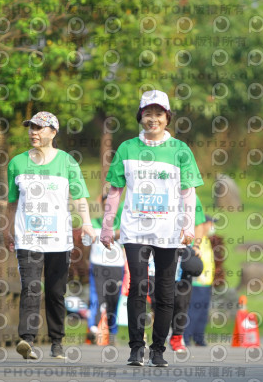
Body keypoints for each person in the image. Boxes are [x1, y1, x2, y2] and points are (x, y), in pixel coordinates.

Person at [100, 90, 204, 367]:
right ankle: (136, 348)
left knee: (166, 292)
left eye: (159, 113)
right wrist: (107, 227)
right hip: (135, 229)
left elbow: (188, 193)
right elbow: (115, 190)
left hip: (169, 231)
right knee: (137, 287)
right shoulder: (127, 148)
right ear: (140, 116)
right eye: (148, 113)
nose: (153, 118)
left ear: (167, 117)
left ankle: (158, 350)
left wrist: (188, 227)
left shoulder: (180, 150)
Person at [5, 111, 96, 360]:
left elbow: (78, 196)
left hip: (58, 238)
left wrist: (86, 223)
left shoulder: (67, 162)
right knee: (31, 287)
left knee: (56, 292)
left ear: (53, 133)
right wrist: (7, 229)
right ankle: (27, 340)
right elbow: (12, 202)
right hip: (28, 237)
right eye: (31, 127)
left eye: (40, 128)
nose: (34, 132)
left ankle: (57, 342)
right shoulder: (16, 163)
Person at [168, 194, 206, 352]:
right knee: (159, 297)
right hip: (161, 249)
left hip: (183, 252)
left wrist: (196, 246)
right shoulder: (160, 189)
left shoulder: (192, 198)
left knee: (182, 300)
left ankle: (177, 337)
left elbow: (199, 224)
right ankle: (161, 332)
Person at [87, 194, 124, 345]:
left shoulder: (121, 223)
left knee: (113, 300)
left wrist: (113, 234)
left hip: (117, 266)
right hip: (98, 265)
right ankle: (94, 328)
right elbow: (86, 239)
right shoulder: (94, 223)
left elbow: (126, 235)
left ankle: (112, 331)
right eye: (106, 203)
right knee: (98, 297)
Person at [185, 216, 222, 347]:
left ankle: (198, 338)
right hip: (196, 282)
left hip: (206, 283)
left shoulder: (206, 240)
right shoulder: (196, 240)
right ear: (204, 224)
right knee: (192, 312)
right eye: (211, 223)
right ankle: (186, 338)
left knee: (202, 313)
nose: (213, 226)